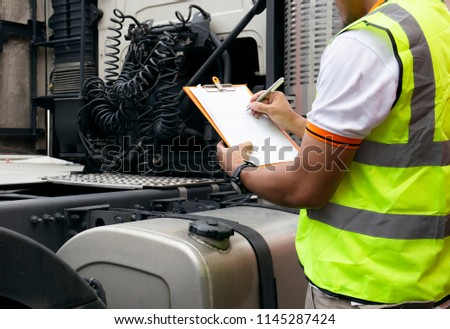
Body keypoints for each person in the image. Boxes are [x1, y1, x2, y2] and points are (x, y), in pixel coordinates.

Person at [217, 0, 450, 309]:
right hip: (430, 282)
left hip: (364, 285)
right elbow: (406, 142)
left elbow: (306, 187)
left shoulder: (368, 41)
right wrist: (297, 123)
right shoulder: (436, 21)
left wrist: (239, 169)